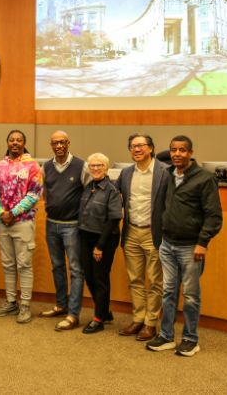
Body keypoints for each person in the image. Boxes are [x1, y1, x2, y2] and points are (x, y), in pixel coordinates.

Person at [147, 135, 222, 357]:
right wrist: (159, 239)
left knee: (190, 294)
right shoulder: (168, 174)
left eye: (182, 150)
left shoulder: (204, 178)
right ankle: (167, 336)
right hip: (168, 245)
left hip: (191, 247)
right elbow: (161, 207)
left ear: (190, 153)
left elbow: (214, 215)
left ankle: (190, 339)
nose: (177, 154)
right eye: (173, 150)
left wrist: (203, 243)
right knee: (169, 292)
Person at [115, 133, 169, 341]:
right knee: (135, 279)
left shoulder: (165, 172)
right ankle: (138, 319)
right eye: (132, 146)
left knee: (155, 280)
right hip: (131, 232)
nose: (136, 149)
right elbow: (114, 196)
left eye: (140, 146)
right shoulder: (126, 173)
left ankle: (150, 323)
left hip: (153, 233)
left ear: (151, 148)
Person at [0, 130, 43, 324]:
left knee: (24, 265)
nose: (15, 143)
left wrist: (12, 213)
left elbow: (34, 194)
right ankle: (11, 302)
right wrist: (1, 213)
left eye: (19, 140)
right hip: (4, 223)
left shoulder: (33, 166)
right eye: (11, 139)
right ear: (7, 142)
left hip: (23, 222)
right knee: (8, 264)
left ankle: (25, 305)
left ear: (24, 143)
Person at [40, 130, 87, 332]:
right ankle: (61, 305)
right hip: (51, 224)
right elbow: (43, 191)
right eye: (55, 143)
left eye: (62, 142)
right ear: (51, 145)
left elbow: (88, 194)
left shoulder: (81, 165)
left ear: (68, 143)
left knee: (76, 270)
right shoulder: (46, 166)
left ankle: (73, 314)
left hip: (73, 226)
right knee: (57, 266)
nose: (58, 146)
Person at [78, 153, 122, 334]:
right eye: (92, 165)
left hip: (104, 239)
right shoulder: (89, 186)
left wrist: (100, 247)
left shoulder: (111, 190)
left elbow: (113, 220)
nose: (95, 169)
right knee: (88, 275)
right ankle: (104, 311)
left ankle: (98, 319)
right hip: (85, 237)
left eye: (99, 165)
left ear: (106, 168)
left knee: (100, 279)